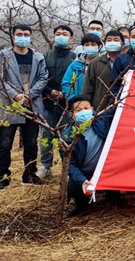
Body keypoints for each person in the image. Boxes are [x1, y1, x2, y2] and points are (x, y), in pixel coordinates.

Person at [0, 24, 49, 189]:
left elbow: (43, 77)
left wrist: (29, 95)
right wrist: (15, 95)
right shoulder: (4, 56)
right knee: (5, 142)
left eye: (26, 34)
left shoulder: (38, 57)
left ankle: (29, 174)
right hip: (10, 105)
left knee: (31, 142)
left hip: (32, 104)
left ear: (31, 37)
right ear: (13, 37)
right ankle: (3, 176)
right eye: (19, 34)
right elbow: (1, 79)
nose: (23, 37)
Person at [64, 95, 124, 216]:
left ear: (92, 108)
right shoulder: (66, 138)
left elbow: (118, 104)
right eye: (78, 110)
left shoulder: (102, 119)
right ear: (72, 114)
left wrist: (125, 82)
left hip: (106, 169)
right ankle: (82, 204)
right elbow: (70, 166)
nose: (84, 112)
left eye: (86, 108)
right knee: (74, 186)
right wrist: (82, 180)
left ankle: (113, 196)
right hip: (84, 172)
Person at [37, 25, 76, 179]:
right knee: (46, 135)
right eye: (58, 34)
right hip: (47, 102)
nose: (61, 36)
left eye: (64, 34)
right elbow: (39, 79)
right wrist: (49, 91)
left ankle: (67, 167)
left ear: (71, 38)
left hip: (66, 104)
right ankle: (46, 166)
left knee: (66, 136)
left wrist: (65, 94)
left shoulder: (75, 58)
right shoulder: (45, 57)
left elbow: (77, 81)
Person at [82, 31, 125, 111]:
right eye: (109, 40)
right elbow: (88, 88)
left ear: (123, 44)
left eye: (116, 40)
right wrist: (86, 107)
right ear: (104, 44)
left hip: (123, 108)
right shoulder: (95, 63)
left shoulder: (128, 62)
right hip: (99, 109)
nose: (112, 42)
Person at [61, 33, 103, 100]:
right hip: (78, 104)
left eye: (93, 44)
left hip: (99, 103)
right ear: (83, 47)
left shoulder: (104, 64)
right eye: (87, 45)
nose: (90, 46)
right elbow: (67, 83)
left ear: (99, 46)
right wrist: (73, 99)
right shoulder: (75, 65)